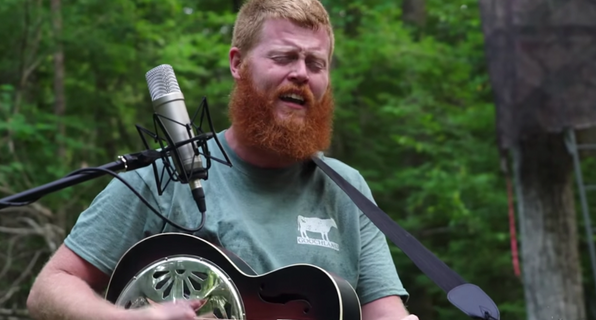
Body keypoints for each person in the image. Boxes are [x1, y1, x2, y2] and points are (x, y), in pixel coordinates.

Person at [26, 0, 418, 320]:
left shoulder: (348, 189)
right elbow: (51, 286)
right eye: (284, 57)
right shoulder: (163, 177)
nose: (301, 73)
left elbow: (384, 311)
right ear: (237, 63)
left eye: (315, 64)